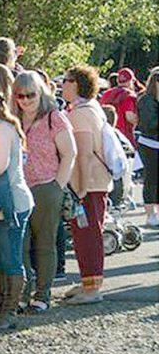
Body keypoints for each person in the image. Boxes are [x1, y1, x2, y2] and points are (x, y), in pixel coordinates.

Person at [13, 70, 76, 313]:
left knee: (45, 243)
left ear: (41, 93)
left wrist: (58, 186)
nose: (26, 100)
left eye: (31, 95)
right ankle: (23, 293)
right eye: (20, 95)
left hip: (46, 186)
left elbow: (70, 153)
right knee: (21, 244)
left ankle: (42, 294)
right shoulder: (14, 120)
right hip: (19, 188)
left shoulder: (54, 118)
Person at [0, 84, 34, 332]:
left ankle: (9, 311)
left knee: (10, 258)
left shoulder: (1, 128)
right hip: (1, 203)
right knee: (0, 259)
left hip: (11, 201)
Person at [61, 65, 111, 304]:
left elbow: (84, 154)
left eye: (67, 80)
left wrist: (80, 188)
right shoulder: (91, 108)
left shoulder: (80, 113)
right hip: (93, 181)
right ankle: (89, 282)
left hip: (88, 183)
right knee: (88, 234)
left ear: (77, 84)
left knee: (88, 234)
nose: (62, 84)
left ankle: (91, 288)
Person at [136, 67, 159, 228]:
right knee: (151, 178)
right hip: (149, 144)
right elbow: (149, 124)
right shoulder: (146, 100)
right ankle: (151, 213)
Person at [100, 67, 140, 146]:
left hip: (105, 134)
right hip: (123, 137)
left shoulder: (106, 94)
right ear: (130, 81)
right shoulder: (128, 95)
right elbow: (130, 117)